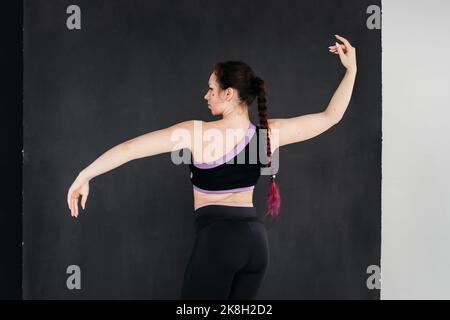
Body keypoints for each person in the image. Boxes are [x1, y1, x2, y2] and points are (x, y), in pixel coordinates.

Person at [67, 35, 357, 299]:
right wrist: (351, 70)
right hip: (256, 244)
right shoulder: (268, 134)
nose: (206, 96)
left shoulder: (196, 133)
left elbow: (130, 149)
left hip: (219, 241)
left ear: (228, 93)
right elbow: (331, 116)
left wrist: (85, 174)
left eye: (211, 89)